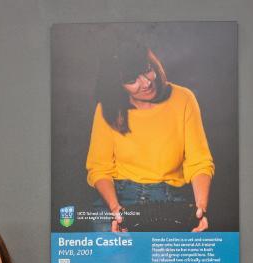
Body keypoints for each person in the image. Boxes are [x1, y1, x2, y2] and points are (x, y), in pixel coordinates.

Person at [86, 45, 215, 232]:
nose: (146, 83)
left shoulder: (184, 98)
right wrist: (116, 210)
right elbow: (99, 168)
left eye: (147, 70)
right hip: (119, 197)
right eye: (132, 80)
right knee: (112, 252)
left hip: (170, 198)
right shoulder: (107, 108)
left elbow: (199, 162)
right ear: (117, 84)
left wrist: (200, 209)